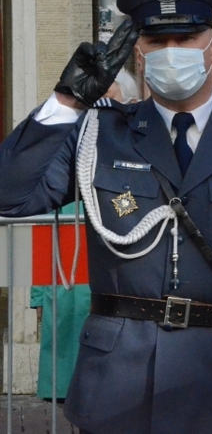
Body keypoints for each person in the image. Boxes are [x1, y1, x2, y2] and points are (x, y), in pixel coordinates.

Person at [0, 0, 212, 434]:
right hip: (118, 384)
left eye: (186, 37)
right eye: (157, 39)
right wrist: (65, 102)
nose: (172, 50)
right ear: (139, 51)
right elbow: (11, 196)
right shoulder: (99, 134)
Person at [29, 69, 140, 402]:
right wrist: (37, 297)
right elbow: (43, 222)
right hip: (66, 285)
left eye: (110, 102)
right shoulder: (65, 153)